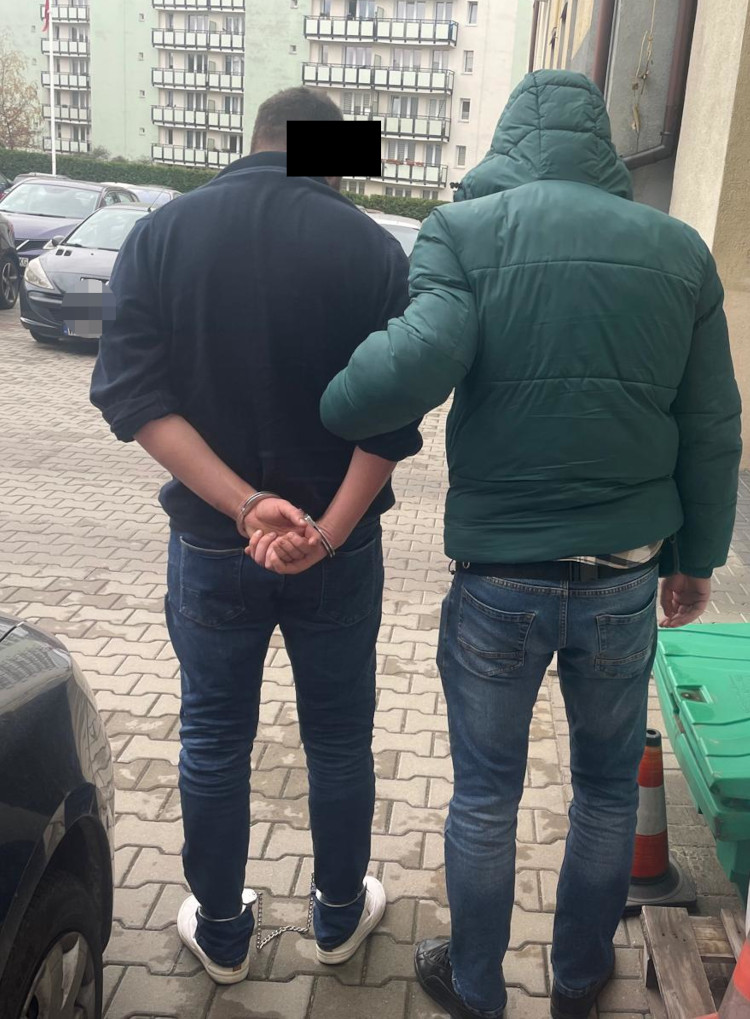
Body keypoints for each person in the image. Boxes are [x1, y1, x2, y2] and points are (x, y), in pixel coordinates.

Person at [318, 70, 742, 1019]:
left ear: (509, 143)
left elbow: (418, 359)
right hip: (624, 579)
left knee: (484, 796)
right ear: (602, 148)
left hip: (499, 581)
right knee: (605, 792)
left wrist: (333, 402)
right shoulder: (680, 251)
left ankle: (476, 987)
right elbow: (713, 426)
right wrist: (697, 560)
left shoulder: (464, 232)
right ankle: (579, 979)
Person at [90, 86, 422, 984]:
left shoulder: (161, 234)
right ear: (332, 155)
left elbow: (130, 395)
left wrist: (244, 505)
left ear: (255, 137)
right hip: (339, 550)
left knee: (212, 738)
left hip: (213, 544)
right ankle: (340, 916)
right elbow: (395, 416)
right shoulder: (373, 249)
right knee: (340, 738)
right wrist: (326, 533)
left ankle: (223, 934)